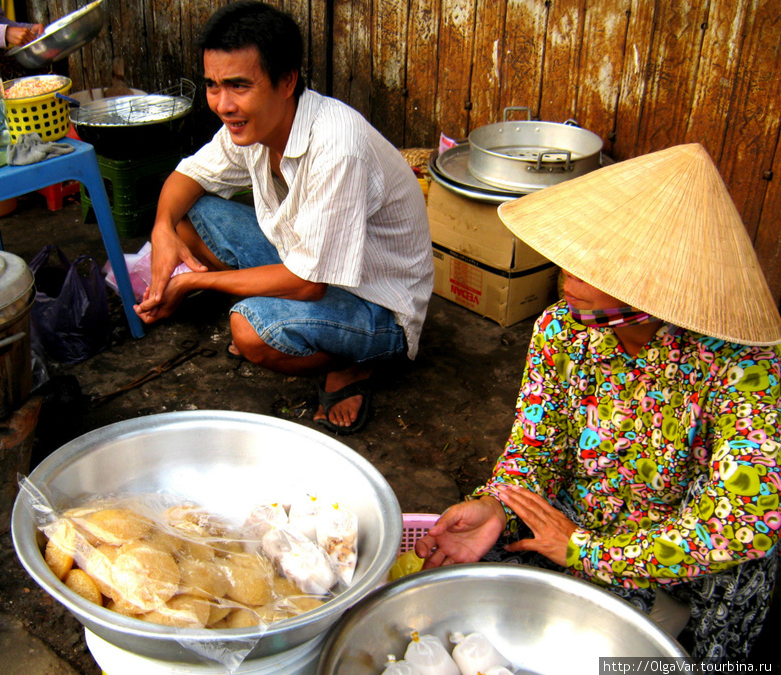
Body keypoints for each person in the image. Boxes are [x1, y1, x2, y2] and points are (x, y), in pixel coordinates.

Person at [415, 143, 781, 660]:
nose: (567, 279)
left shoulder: (746, 371)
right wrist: (497, 503)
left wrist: (589, 552)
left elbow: (740, 523)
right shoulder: (563, 329)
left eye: (593, 268)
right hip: (574, 525)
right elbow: (535, 447)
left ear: (655, 288)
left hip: (687, 567)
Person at [135, 1, 433, 435]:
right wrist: (161, 231)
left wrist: (191, 281)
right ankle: (274, 313)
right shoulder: (253, 125)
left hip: (380, 307)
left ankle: (355, 365)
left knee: (249, 331)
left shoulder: (337, 146)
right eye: (213, 86)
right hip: (309, 265)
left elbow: (307, 284)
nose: (223, 104)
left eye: (238, 85)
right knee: (184, 216)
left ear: (287, 81)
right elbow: (188, 175)